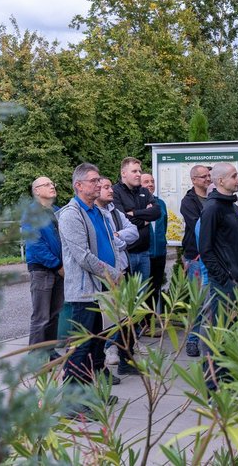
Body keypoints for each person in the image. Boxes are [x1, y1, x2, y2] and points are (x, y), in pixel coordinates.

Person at [58, 163, 137, 395]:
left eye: (98, 179)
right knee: (82, 347)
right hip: (85, 292)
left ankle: (91, 396)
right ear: (79, 186)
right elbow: (83, 256)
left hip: (104, 288)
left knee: (96, 346)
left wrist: (117, 270)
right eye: (93, 180)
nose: (99, 183)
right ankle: (72, 399)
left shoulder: (100, 212)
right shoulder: (71, 215)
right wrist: (113, 274)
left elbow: (113, 244)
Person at [198, 162, 238, 391]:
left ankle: (228, 383)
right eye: (234, 176)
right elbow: (206, 250)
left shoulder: (232, 207)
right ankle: (213, 388)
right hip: (224, 284)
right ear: (220, 181)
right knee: (218, 335)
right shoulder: (212, 208)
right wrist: (225, 279)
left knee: (232, 334)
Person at [95, 177, 140, 365]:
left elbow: (134, 232)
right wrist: (118, 241)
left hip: (122, 269)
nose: (111, 190)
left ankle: (125, 353)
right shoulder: (93, 214)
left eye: (110, 187)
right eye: (106, 187)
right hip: (106, 272)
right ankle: (109, 348)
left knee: (125, 313)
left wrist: (117, 236)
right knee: (109, 314)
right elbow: (102, 241)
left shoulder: (115, 212)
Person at [22, 176, 64, 352]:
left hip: (59, 269)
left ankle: (49, 352)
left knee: (54, 315)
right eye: (47, 184)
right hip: (42, 270)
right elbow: (35, 244)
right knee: (41, 317)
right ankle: (36, 357)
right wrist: (57, 265)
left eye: (52, 183)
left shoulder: (57, 211)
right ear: (37, 191)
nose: (52, 186)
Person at [111, 157, 161, 283]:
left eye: (139, 171)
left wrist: (134, 213)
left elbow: (156, 212)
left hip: (144, 253)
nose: (139, 174)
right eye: (134, 171)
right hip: (126, 254)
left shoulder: (144, 191)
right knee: (126, 292)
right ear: (123, 173)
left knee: (143, 292)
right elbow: (122, 220)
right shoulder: (115, 192)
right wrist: (145, 220)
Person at [180, 165, 211, 357]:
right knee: (198, 301)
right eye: (203, 176)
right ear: (193, 180)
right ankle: (192, 340)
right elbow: (201, 226)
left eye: (209, 175)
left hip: (213, 257)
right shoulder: (188, 201)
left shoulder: (214, 197)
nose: (208, 179)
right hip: (196, 257)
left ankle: (210, 339)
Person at [140, 173, 168, 314]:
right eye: (146, 182)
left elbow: (164, 225)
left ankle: (150, 321)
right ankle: (140, 322)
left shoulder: (160, 203)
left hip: (160, 254)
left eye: (152, 181)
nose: (150, 184)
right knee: (143, 290)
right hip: (144, 253)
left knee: (155, 289)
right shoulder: (137, 203)